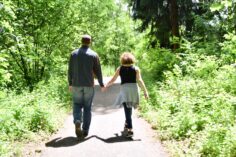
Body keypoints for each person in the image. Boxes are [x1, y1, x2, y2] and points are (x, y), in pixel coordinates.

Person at [68, 34, 105, 139]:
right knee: (87, 108)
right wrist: (101, 84)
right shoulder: (94, 55)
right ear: (90, 42)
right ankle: (85, 131)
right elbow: (98, 71)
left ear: (81, 41)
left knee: (77, 104)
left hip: (76, 85)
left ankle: (78, 120)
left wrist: (70, 83)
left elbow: (70, 70)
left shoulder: (73, 54)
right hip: (89, 85)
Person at [105, 52, 149, 137]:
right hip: (134, 90)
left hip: (125, 90)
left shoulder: (120, 68)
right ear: (132, 59)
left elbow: (113, 80)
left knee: (127, 110)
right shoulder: (136, 68)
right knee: (129, 110)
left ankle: (130, 130)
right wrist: (145, 91)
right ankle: (127, 124)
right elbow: (140, 81)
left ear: (122, 60)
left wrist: (106, 85)